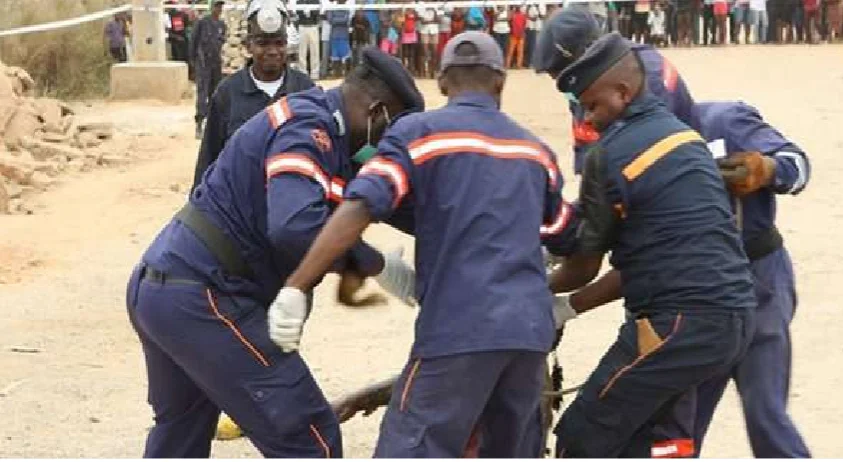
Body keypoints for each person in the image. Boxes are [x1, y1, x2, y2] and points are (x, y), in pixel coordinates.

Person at [270, 31, 579, 458]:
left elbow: (361, 205)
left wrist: (297, 284)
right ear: (500, 82)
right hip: (528, 339)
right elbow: (571, 240)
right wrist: (554, 300)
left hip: (457, 330)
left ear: (442, 83)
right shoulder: (535, 152)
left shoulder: (420, 135)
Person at [126, 46, 423, 458]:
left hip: (164, 289)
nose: (386, 147)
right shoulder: (309, 128)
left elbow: (397, 202)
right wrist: (377, 265)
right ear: (377, 113)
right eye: (390, 134)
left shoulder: (340, 144)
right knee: (308, 436)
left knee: (181, 436)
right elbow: (294, 226)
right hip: (206, 296)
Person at [547, 32, 755, 458]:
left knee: (581, 435)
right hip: (734, 318)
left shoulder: (610, 154)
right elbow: (656, 252)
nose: (588, 120)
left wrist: (532, 287)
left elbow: (583, 266)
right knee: (652, 440)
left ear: (623, 93)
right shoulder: (687, 140)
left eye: (592, 106)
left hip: (676, 325)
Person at [689, 101, 811, 458]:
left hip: (759, 280)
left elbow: (798, 165)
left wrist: (768, 168)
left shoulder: (724, 121)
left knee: (765, 414)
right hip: (694, 295)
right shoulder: (630, 142)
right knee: (681, 424)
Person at [533, 6, 697, 174]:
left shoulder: (645, 77)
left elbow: (650, 163)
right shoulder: (589, 80)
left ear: (585, 55)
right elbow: (588, 147)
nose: (565, 89)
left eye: (562, 76)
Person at [190, 0, 314, 192]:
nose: (272, 51)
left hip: (293, 207)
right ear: (248, 45)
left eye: (279, 43)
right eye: (262, 43)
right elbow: (209, 155)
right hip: (239, 209)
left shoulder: (305, 91)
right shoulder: (228, 93)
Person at [190, 0, 227, 139]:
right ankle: (199, 123)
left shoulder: (222, 25)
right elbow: (193, 42)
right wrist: (193, 62)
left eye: (221, 6)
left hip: (215, 64)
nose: (219, 9)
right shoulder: (202, 22)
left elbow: (222, 42)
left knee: (215, 94)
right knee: (202, 93)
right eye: (217, 6)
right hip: (203, 62)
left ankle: (212, 125)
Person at [296, 0, 321, 80]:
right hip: (302, 26)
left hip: (313, 26)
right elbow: (298, 12)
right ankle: (302, 73)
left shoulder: (315, 1)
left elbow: (317, 13)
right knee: (302, 51)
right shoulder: (299, 1)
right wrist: (304, 11)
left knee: (315, 51)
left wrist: (309, 11)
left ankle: (315, 73)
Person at [327, 1, 352, 77]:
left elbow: (346, 20)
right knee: (335, 57)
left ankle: (346, 74)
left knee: (346, 56)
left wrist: (336, 19)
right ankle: (337, 74)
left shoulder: (346, 9)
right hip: (334, 36)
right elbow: (330, 20)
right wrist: (341, 19)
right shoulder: (332, 8)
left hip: (344, 36)